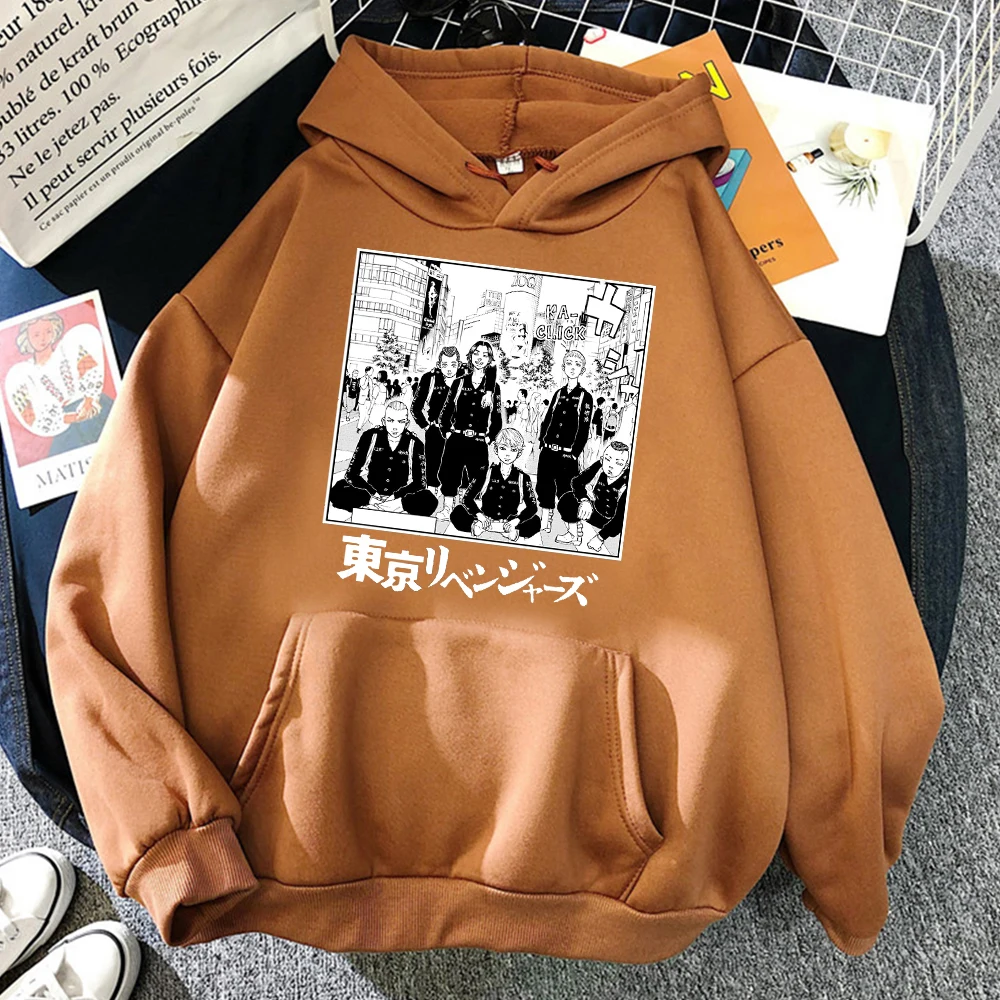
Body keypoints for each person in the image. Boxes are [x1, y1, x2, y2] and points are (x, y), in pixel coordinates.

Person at [328, 399, 438, 516]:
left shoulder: (415, 443)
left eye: (400, 422)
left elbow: (420, 483)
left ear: (407, 424)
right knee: (338, 489)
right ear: (384, 421)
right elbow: (351, 474)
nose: (395, 427)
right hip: (370, 495)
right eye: (390, 421)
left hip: (399, 499)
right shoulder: (370, 436)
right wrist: (371, 495)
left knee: (429, 499)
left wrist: (397, 499)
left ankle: (395, 507)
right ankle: (371, 504)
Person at [438, 340, 502, 516]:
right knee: (450, 473)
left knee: (478, 477)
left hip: (479, 441)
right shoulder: (459, 383)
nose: (480, 358)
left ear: (490, 360)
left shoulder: (494, 388)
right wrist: (447, 432)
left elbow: (497, 419)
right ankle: (447, 508)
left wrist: (489, 438)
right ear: (470, 356)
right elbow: (446, 412)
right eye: (476, 353)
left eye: (485, 355)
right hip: (456, 438)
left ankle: (469, 509)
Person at [536, 349, 594, 533]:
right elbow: (548, 419)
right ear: (563, 367)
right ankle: (545, 520)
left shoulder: (585, 397)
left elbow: (584, 428)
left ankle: (573, 529)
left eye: (577, 365)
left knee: (566, 490)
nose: (572, 368)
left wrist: (574, 453)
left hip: (567, 453)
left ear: (582, 369)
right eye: (569, 363)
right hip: (548, 450)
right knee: (544, 485)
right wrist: (542, 441)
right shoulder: (558, 393)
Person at [450, 426, 540, 542]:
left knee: (536, 521)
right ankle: (476, 527)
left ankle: (512, 533)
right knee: (457, 512)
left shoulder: (523, 477)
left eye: (513, 450)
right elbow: (467, 498)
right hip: (485, 520)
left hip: (509, 523)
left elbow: (532, 507)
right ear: (496, 449)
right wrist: (480, 516)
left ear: (519, 453)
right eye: (503, 448)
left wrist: (515, 521)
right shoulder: (485, 472)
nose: (507, 454)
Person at [555, 440, 630, 553]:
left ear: (625, 466)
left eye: (618, 463)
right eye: (607, 459)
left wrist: (599, 538)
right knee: (567, 499)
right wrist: (584, 500)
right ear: (602, 459)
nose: (611, 466)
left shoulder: (628, 482)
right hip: (594, 511)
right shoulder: (599, 466)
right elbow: (576, 482)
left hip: (613, 522)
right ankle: (573, 533)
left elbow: (621, 518)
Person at [411, 345, 462, 492]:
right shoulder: (430, 378)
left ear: (459, 364)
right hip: (435, 430)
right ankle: (431, 494)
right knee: (432, 468)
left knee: (456, 469)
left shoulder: (465, 380)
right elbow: (415, 407)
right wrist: (426, 426)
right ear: (439, 364)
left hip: (458, 433)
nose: (449, 369)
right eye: (445, 365)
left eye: (453, 364)